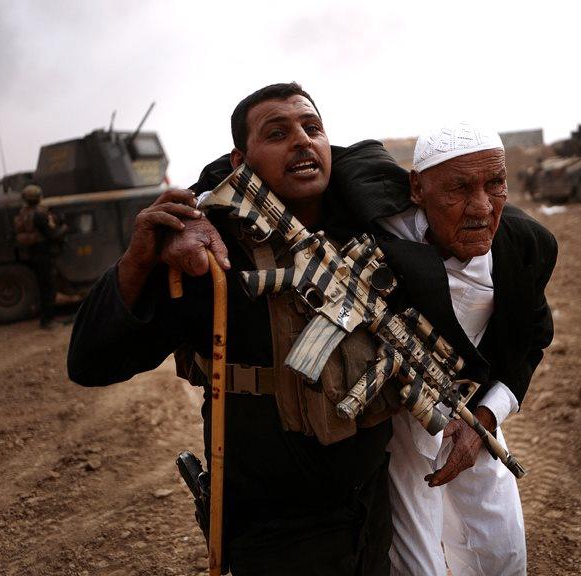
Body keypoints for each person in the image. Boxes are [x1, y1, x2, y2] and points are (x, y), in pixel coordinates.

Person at [67, 83, 394, 576]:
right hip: (277, 533)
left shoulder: (363, 221)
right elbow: (91, 361)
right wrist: (141, 258)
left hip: (373, 506)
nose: (302, 142)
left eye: (312, 128)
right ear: (241, 161)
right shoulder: (208, 262)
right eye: (277, 133)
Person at [328, 122, 557, 575]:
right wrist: (195, 206)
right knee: (416, 563)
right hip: (398, 424)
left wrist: (485, 422)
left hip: (476, 411)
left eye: (495, 184)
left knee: (501, 551)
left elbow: (530, 341)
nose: (481, 207)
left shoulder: (525, 245)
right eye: (458, 188)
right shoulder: (378, 214)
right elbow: (287, 150)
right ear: (417, 188)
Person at [14, 184, 65, 328]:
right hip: (44, 253)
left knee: (43, 287)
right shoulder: (40, 214)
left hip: (33, 253)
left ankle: (46, 319)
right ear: (38, 198)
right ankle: (47, 321)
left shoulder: (23, 213)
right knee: (49, 287)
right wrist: (64, 228)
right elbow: (53, 235)